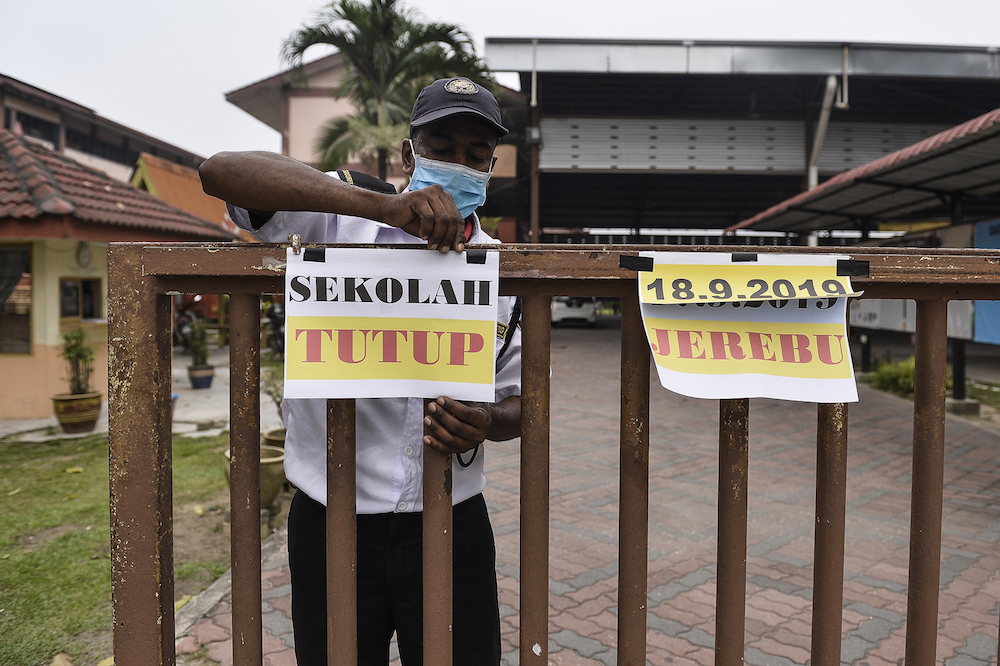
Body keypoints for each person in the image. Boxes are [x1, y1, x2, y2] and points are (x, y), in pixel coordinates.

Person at [200, 77, 521, 666]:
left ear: (492, 167)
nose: (458, 165)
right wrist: (382, 206)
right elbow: (221, 172)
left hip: (452, 518)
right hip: (331, 520)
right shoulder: (336, 225)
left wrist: (488, 419)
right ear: (408, 155)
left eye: (476, 157)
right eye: (441, 148)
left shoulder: (500, 272)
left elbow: (522, 401)